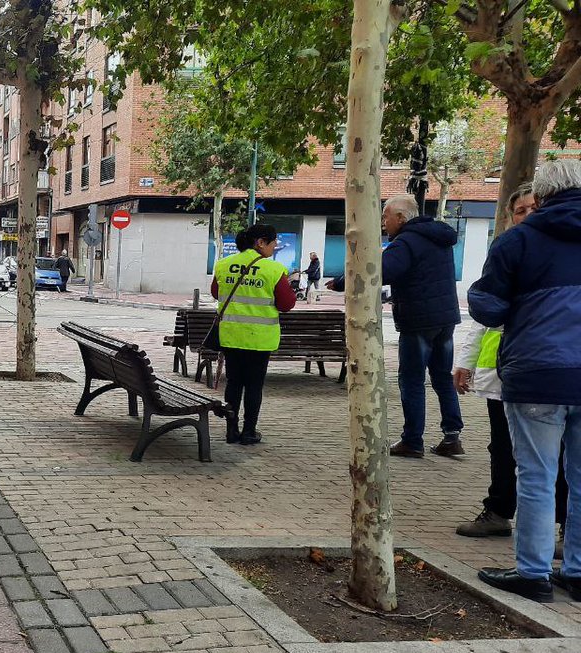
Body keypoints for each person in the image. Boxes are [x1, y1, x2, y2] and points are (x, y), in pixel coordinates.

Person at [470, 159, 581, 603]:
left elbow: (490, 308)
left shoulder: (518, 240)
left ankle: (533, 573)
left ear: (543, 195)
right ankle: (576, 571)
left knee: (535, 475)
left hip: (537, 371)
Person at [327, 194, 463, 458]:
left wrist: (344, 281)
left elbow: (378, 272)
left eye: (386, 216)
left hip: (418, 320)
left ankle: (412, 440)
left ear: (401, 218)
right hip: (445, 318)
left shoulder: (406, 242)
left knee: (411, 380)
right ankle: (452, 436)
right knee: (442, 377)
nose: (383, 222)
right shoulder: (439, 239)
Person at [211, 223, 296, 445]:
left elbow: (215, 292)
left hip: (231, 336)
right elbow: (286, 304)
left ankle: (231, 429)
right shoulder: (274, 270)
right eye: (273, 241)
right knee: (254, 385)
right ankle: (249, 431)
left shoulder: (223, 264)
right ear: (260, 242)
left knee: (234, 383)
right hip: (259, 339)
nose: (275, 245)